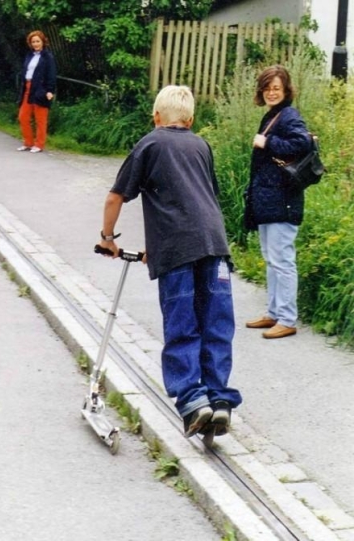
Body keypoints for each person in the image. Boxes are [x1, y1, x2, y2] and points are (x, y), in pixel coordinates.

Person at [98, 85, 242, 438]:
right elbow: (196, 200)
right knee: (216, 324)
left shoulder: (150, 143)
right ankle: (220, 400)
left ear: (156, 116)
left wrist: (108, 238)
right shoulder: (201, 145)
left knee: (182, 324)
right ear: (191, 119)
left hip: (179, 250)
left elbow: (117, 196)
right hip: (214, 246)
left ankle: (194, 401)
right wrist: (157, 248)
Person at [243, 65, 313, 340]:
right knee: (272, 259)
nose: (271, 92)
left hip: (283, 200)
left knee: (282, 260)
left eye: (276, 88)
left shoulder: (289, 116)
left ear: (286, 91)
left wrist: (267, 142)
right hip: (270, 200)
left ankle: (287, 318)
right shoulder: (273, 115)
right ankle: (273, 312)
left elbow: (302, 143)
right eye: (267, 88)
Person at [16, 30, 57, 154]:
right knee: (23, 116)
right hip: (28, 88)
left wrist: (50, 90)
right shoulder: (29, 55)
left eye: (37, 41)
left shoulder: (48, 57)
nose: (35, 44)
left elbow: (51, 74)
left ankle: (39, 144)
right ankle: (28, 142)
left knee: (40, 118)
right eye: (33, 42)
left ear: (43, 42)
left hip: (41, 89)